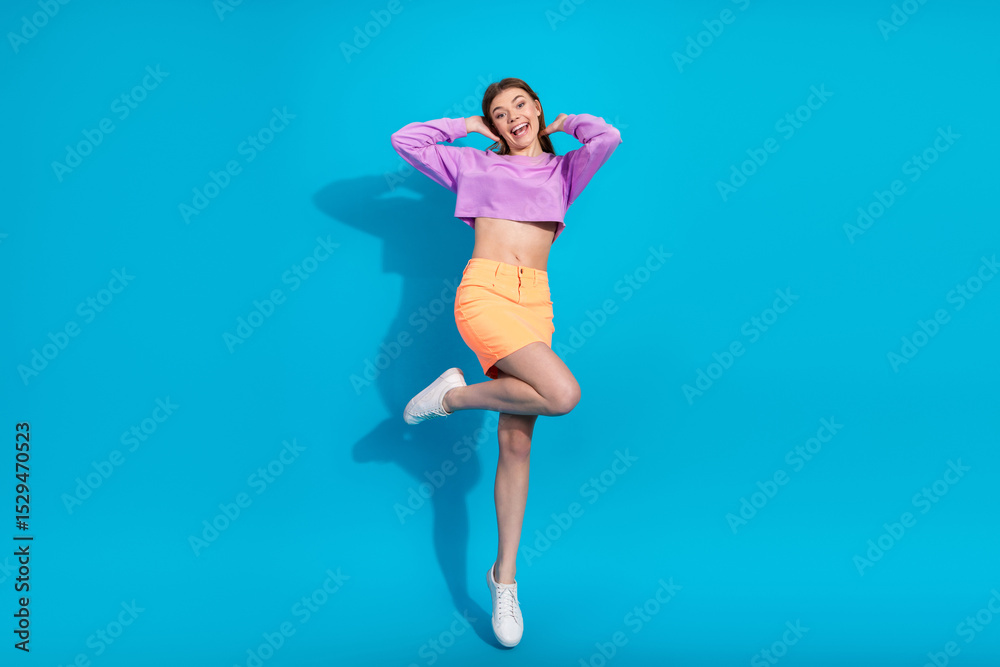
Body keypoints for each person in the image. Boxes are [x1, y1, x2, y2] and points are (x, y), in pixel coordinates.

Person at [389, 77, 622, 648]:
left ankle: (504, 579)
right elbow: (406, 141)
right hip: (486, 294)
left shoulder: (564, 171)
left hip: (535, 304)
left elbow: (607, 136)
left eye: (521, 105)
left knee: (517, 445)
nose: (512, 116)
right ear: (492, 124)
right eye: (499, 111)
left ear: (536, 109)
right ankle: (453, 396)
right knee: (562, 394)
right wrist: (466, 126)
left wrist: (565, 123)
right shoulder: (473, 164)